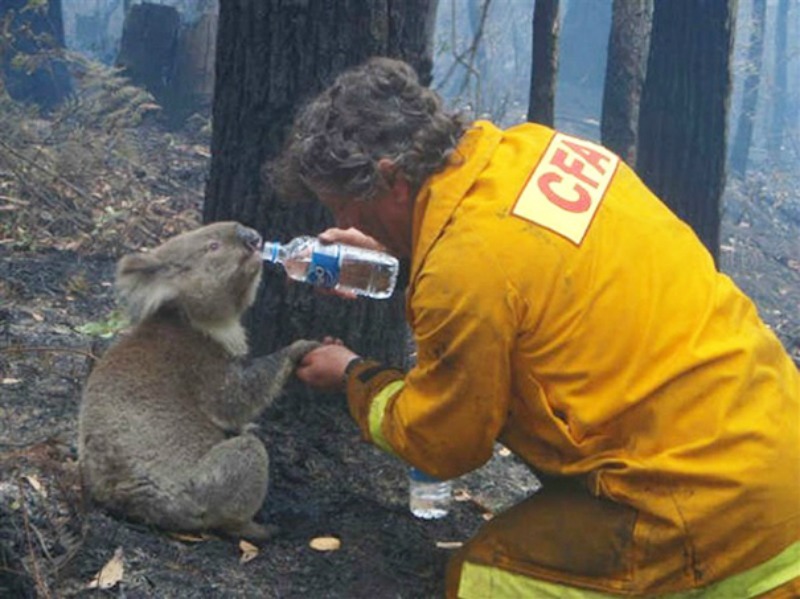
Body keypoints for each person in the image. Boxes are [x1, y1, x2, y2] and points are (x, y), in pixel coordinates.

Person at [272, 57, 800, 597]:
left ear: (392, 181)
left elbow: (443, 443)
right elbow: (519, 272)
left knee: (486, 579)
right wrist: (404, 256)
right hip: (776, 443)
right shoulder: (537, 151)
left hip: (714, 516)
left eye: (347, 208)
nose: (345, 226)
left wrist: (355, 377)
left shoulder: (465, 269)